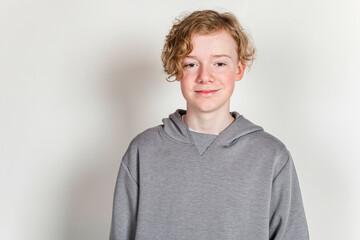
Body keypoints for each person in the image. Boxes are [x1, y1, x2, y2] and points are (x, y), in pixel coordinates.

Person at [110, 10, 309, 240]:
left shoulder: (272, 156)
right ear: (177, 69)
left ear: (239, 69)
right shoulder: (142, 151)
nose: (205, 76)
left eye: (220, 63)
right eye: (192, 64)